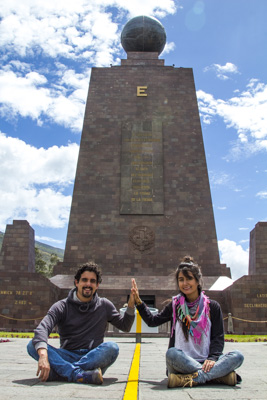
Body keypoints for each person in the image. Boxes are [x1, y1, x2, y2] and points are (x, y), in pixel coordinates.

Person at [131, 256, 244, 388]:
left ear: (197, 281)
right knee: (171, 354)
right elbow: (152, 321)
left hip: (207, 361)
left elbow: (218, 337)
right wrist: (138, 302)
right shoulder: (174, 306)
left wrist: (213, 358)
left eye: (189, 278)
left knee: (238, 356)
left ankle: (191, 378)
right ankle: (216, 376)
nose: (185, 283)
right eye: (181, 280)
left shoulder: (212, 307)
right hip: (181, 362)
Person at [27, 261, 135, 385]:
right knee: (32, 345)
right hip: (67, 354)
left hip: (92, 357)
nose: (88, 284)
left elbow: (125, 326)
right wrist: (43, 355)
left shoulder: (104, 305)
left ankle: (62, 373)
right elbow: (43, 328)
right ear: (76, 282)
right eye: (84, 280)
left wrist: (131, 305)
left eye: (92, 281)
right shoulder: (62, 306)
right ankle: (80, 374)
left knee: (111, 348)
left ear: (97, 285)